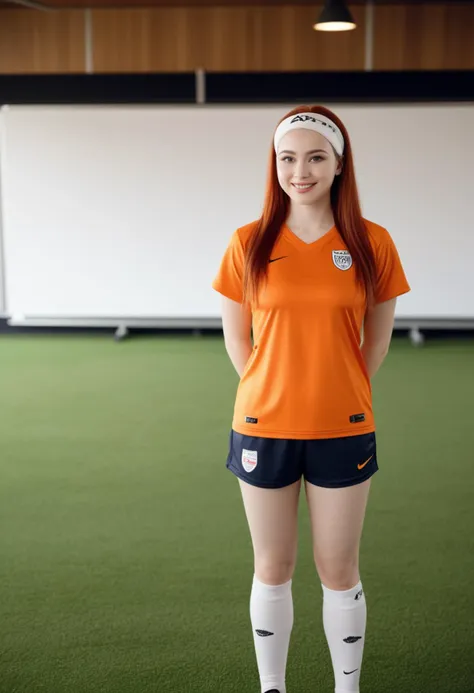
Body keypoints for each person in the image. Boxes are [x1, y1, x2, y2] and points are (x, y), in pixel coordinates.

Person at [211, 105, 411, 693]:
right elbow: (237, 340)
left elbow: (374, 343)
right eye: (288, 158)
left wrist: (333, 387)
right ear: (274, 165)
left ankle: (345, 688)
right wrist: (276, 391)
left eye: (315, 157)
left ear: (339, 164)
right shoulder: (247, 242)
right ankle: (273, 686)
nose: (300, 171)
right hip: (262, 427)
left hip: (342, 426)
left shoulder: (372, 242)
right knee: (272, 566)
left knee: (337, 567)